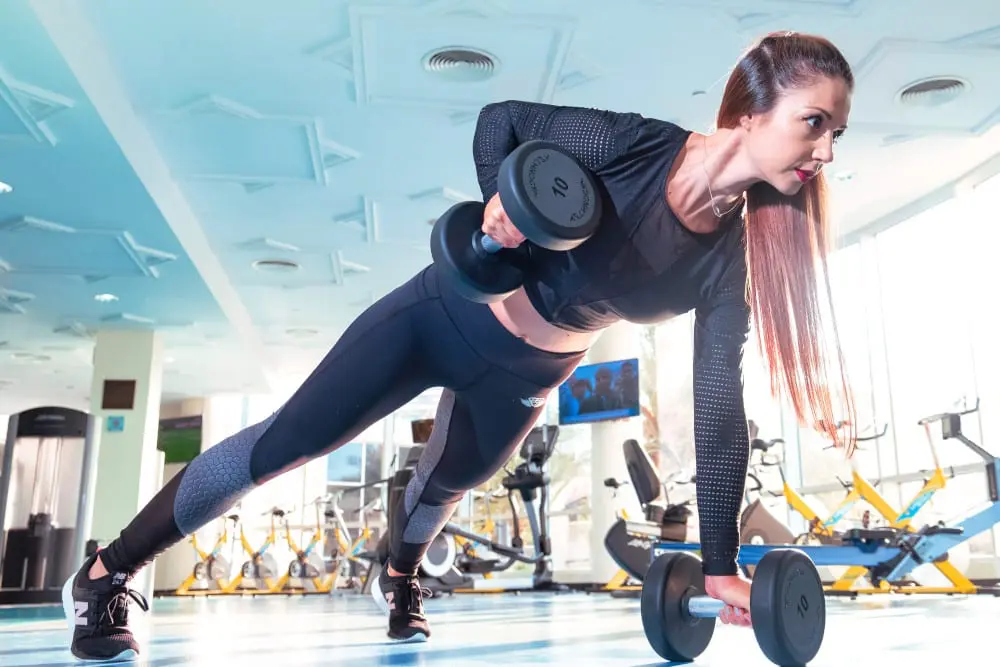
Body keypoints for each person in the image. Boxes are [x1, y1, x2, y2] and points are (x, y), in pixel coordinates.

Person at [65, 30, 857, 660]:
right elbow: (502, 122)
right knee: (287, 443)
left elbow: (721, 411)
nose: (826, 151)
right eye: (814, 122)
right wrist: (498, 200)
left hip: (525, 372)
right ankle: (107, 571)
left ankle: (400, 575)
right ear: (750, 114)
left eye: (837, 133)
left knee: (448, 485)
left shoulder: (727, 265)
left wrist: (720, 563)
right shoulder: (637, 146)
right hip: (439, 311)